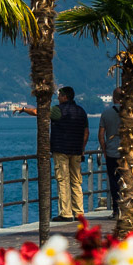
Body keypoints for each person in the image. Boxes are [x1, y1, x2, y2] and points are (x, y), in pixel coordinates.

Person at [49, 86, 89, 219]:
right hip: (77, 150)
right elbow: (86, 132)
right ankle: (79, 212)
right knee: (76, 181)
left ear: (65, 97)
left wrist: (24, 110)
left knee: (63, 180)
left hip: (61, 149)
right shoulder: (81, 111)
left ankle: (65, 213)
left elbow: (40, 112)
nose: (58, 98)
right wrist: (82, 148)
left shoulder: (57, 110)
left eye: (59, 95)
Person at [100, 88, 123, 220]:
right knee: (128, 180)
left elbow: (101, 134)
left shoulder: (106, 114)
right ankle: (128, 209)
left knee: (114, 182)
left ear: (113, 98)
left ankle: (116, 210)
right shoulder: (131, 113)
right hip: (127, 153)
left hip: (111, 153)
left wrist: (104, 149)